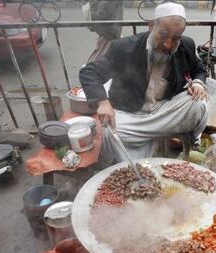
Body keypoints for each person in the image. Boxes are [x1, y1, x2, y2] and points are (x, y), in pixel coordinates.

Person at [79, 2, 208, 168]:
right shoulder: (125, 47)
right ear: (151, 25)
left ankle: (156, 139)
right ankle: (156, 140)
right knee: (111, 133)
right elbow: (89, 72)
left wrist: (198, 83)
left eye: (175, 38)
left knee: (198, 103)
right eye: (163, 34)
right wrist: (103, 102)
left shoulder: (186, 45)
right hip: (133, 115)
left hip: (163, 111)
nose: (168, 44)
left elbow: (199, 69)